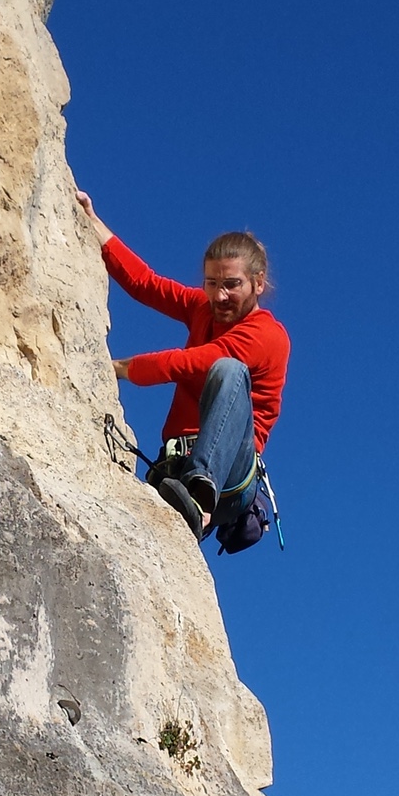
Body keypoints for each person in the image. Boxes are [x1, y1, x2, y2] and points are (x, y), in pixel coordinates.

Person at [77, 190, 290, 542]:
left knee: (227, 370)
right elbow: (147, 284)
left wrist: (117, 368)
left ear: (258, 283)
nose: (220, 295)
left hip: (230, 475)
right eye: (212, 283)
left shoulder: (267, 334)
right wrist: (94, 221)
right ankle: (188, 498)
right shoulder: (203, 308)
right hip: (179, 460)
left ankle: (201, 496)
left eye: (232, 285)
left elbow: (192, 363)